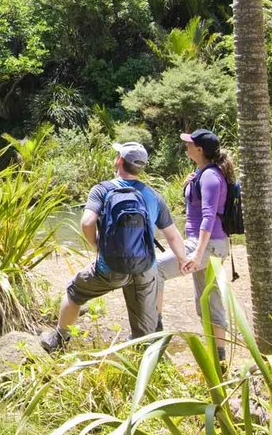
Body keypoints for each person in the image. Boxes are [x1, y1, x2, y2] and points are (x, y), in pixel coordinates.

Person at [41, 142, 193, 351]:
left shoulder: (102, 189)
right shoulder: (153, 195)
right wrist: (183, 259)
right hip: (144, 267)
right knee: (143, 331)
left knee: (74, 291)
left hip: (110, 267)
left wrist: (97, 244)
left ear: (119, 161)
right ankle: (146, 355)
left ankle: (59, 339)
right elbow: (173, 235)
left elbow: (87, 222)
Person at [155, 128, 234, 358]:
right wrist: (190, 184)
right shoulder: (204, 173)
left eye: (190, 144)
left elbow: (208, 217)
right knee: (209, 300)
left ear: (199, 149)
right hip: (212, 244)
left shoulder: (210, 177)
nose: (186, 146)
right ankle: (219, 357)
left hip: (207, 245)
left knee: (155, 269)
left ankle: (154, 330)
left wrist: (197, 254)